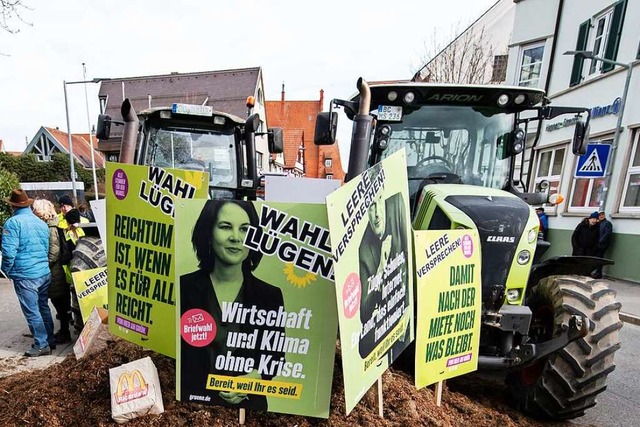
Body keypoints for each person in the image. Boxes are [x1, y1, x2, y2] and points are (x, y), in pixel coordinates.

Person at [180, 200, 285, 410]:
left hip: (250, 410)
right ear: (208, 233)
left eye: (244, 229)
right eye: (225, 226)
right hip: (193, 409)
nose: (236, 237)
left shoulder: (269, 295)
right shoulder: (184, 287)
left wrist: (256, 377)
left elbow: (276, 357)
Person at [358, 164, 410, 362]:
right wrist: (380, 267)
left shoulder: (396, 205)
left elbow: (409, 257)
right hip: (383, 324)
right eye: (371, 206)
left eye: (380, 200)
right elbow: (364, 313)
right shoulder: (363, 249)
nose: (378, 213)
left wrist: (407, 312)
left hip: (402, 313)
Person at [1, 189, 55, 356]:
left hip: (26, 274)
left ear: (13, 206)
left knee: (32, 311)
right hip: (43, 272)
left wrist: (6, 270)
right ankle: (49, 340)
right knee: (43, 307)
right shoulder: (40, 223)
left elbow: (9, 252)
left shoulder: (12, 223)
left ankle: (41, 344)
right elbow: (46, 248)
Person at [32, 199, 73, 344]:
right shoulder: (51, 225)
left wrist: (44, 265)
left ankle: (64, 332)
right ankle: (62, 331)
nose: (33, 212)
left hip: (55, 271)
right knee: (59, 303)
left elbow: (54, 251)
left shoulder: (51, 227)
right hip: (55, 270)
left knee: (59, 303)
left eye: (35, 209)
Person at [593, 211, 613, 279]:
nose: (601, 216)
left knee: (599, 258)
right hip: (597, 244)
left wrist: (600, 240)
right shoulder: (598, 223)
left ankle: (598, 273)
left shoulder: (607, 223)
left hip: (602, 245)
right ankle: (597, 272)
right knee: (596, 258)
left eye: (602, 215)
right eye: (600, 215)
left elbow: (607, 234)